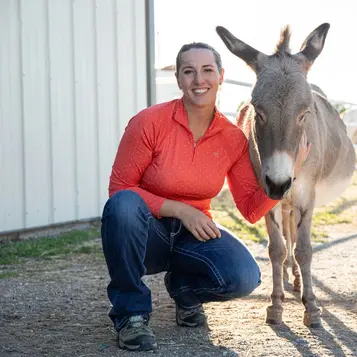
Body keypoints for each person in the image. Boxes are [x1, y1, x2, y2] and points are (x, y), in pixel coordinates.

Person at [101, 42, 310, 351]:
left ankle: (184, 290)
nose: (199, 80)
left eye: (207, 70)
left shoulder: (231, 138)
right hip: (147, 235)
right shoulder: (149, 122)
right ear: (179, 79)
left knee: (244, 276)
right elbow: (119, 190)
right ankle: (130, 314)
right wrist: (181, 210)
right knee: (123, 206)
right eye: (189, 71)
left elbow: (252, 209)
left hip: (192, 238)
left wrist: (292, 170)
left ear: (221, 76)